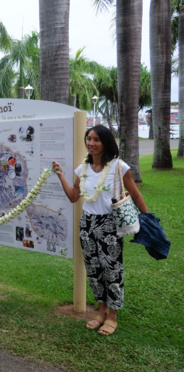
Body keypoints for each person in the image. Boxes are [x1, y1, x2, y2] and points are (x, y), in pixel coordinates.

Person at [53, 125, 148, 336]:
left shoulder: (119, 167)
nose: (91, 143)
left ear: (105, 142)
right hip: (87, 224)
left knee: (112, 269)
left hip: (110, 224)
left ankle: (112, 316)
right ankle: (101, 311)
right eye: (88, 139)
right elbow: (73, 196)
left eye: (96, 139)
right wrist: (60, 175)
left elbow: (136, 194)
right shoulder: (83, 169)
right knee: (94, 270)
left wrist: (148, 218)